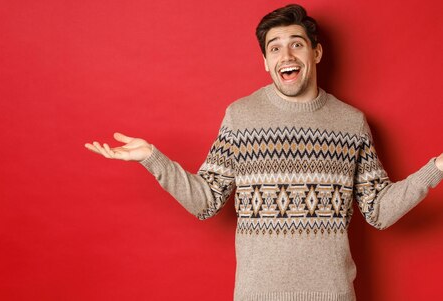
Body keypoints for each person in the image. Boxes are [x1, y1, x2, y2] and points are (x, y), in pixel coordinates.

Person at [84, 4, 443, 301]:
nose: (286, 54)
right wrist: (152, 157)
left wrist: (438, 167)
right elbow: (206, 201)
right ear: (265, 61)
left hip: (332, 294)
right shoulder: (241, 117)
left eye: (296, 44)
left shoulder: (351, 123)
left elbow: (379, 210)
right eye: (274, 48)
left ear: (316, 52)